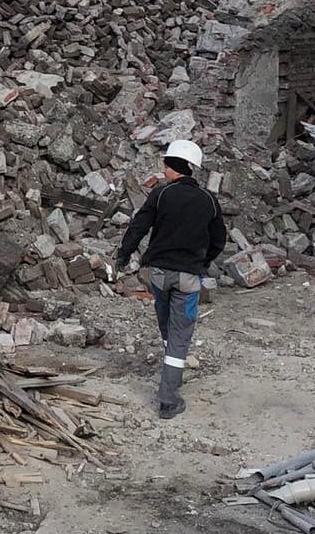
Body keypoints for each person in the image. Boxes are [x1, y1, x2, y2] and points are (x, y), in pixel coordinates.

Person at [115, 139, 230, 419]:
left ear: (173, 168)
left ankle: (170, 378)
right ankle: (169, 397)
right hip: (189, 277)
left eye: (166, 165)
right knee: (181, 333)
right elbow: (219, 240)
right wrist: (203, 262)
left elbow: (138, 226)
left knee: (167, 324)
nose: (163, 170)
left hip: (159, 275)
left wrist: (123, 255)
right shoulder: (208, 200)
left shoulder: (161, 195)